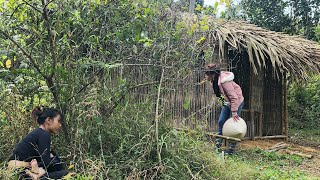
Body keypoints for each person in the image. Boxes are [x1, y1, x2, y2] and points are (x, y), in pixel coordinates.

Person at [8, 106, 69, 179]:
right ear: (49, 120)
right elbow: (46, 164)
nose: (60, 125)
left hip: (17, 172)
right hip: (22, 172)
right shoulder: (44, 134)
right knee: (69, 174)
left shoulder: (38, 133)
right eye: (59, 121)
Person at [205, 64, 244, 155]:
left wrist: (234, 112)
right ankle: (218, 145)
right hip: (228, 102)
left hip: (237, 101)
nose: (206, 77)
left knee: (233, 125)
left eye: (207, 75)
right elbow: (220, 96)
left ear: (213, 75)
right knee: (221, 121)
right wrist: (224, 104)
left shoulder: (224, 81)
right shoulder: (215, 82)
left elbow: (234, 98)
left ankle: (231, 150)